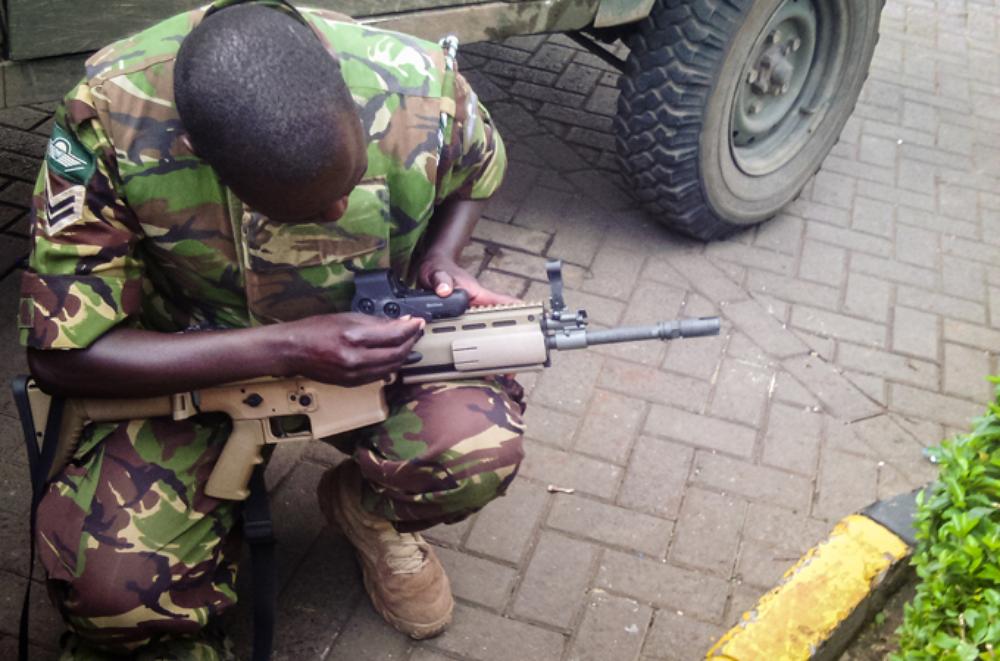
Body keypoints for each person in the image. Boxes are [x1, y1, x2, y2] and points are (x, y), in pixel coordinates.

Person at [18, 0, 525, 657]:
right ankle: (194, 585)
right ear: (197, 154)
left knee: (474, 446)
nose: (339, 209)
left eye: (346, 184)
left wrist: (441, 256)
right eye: (313, 210)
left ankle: (368, 510)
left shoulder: (412, 81)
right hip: (189, 370)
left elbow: (479, 168)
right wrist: (288, 345)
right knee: (113, 597)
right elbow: (63, 359)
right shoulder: (109, 119)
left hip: (371, 354)